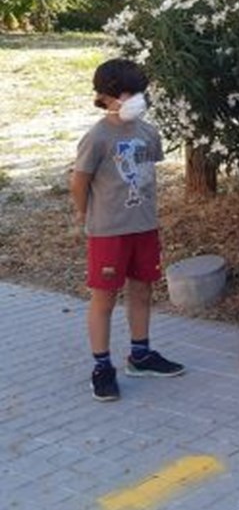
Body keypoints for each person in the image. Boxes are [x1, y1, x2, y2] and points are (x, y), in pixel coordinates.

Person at [71, 58, 185, 401]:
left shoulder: (148, 132)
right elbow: (80, 181)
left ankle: (141, 354)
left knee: (142, 289)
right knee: (104, 297)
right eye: (128, 93)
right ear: (106, 96)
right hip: (109, 230)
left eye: (140, 92)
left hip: (143, 226)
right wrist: (84, 213)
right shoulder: (97, 137)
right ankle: (102, 366)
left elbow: (149, 174)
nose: (137, 98)